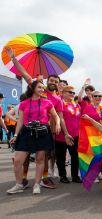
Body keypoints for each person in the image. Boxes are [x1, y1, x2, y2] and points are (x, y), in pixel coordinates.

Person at [5, 47, 71, 189]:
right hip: (28, 129)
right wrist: (13, 58)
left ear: (58, 84)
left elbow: (60, 117)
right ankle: (23, 179)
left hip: (46, 130)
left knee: (44, 156)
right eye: (51, 80)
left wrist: (64, 131)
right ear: (47, 82)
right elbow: (24, 74)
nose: (53, 82)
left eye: (56, 80)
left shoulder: (58, 100)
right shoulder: (39, 89)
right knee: (26, 157)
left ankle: (44, 179)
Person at [7, 81, 60, 195]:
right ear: (32, 88)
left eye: (43, 87)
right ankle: (19, 184)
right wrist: (15, 135)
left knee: (40, 159)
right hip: (26, 132)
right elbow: (20, 120)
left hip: (42, 132)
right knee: (17, 161)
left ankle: (37, 184)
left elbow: (56, 116)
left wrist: (58, 124)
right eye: (39, 87)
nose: (42, 89)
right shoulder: (24, 103)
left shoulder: (47, 102)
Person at [55, 86, 82, 183]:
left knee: (75, 156)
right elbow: (60, 119)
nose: (72, 94)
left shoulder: (77, 105)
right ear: (63, 93)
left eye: (73, 93)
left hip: (75, 136)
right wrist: (66, 133)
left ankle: (75, 176)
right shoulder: (60, 104)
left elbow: (79, 120)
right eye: (70, 92)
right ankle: (63, 176)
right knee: (61, 157)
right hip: (62, 136)